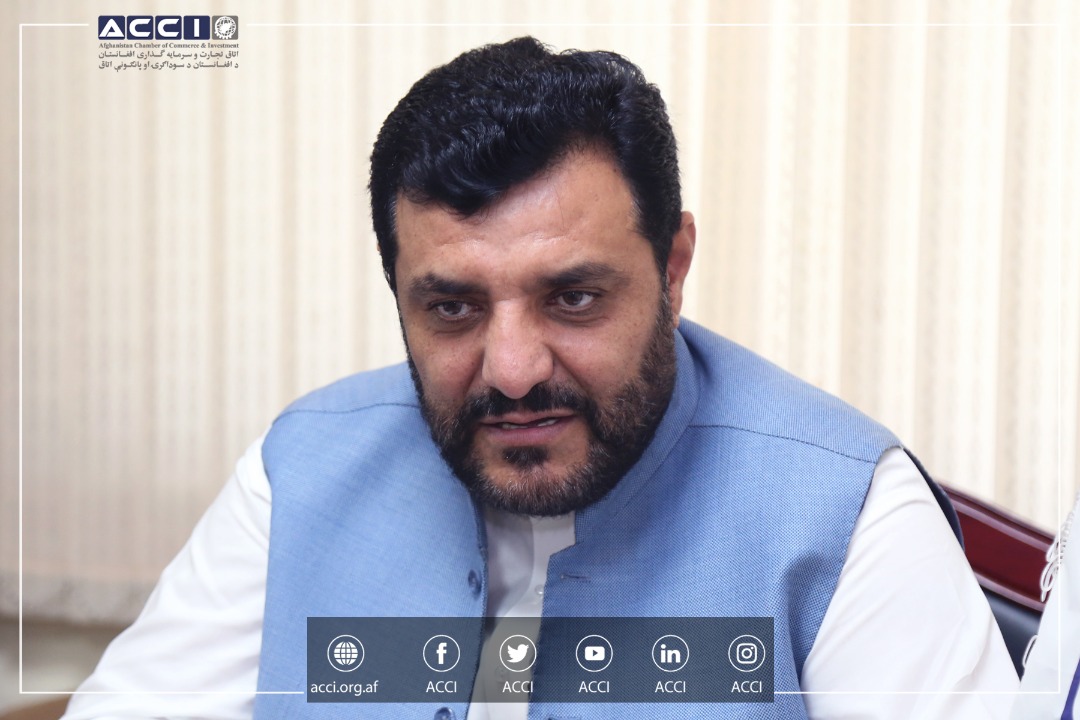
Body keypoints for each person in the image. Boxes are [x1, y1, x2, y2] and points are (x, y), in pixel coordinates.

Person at [62, 36, 1018, 720]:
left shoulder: (847, 512)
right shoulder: (299, 470)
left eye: (573, 298)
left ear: (673, 268)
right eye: (452, 308)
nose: (513, 372)